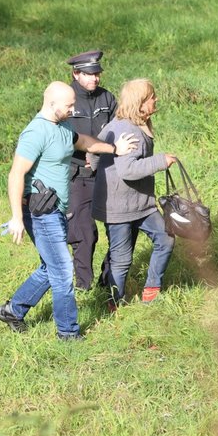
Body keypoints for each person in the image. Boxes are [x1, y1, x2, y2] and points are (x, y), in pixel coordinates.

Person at [0, 81, 136, 340]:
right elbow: (16, 174)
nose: (74, 109)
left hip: (58, 209)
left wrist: (115, 149)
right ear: (52, 104)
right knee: (62, 271)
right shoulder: (36, 132)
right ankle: (68, 333)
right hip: (40, 212)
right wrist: (16, 217)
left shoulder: (62, 126)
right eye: (69, 105)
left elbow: (83, 142)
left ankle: (12, 310)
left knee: (50, 268)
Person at [93, 79, 177, 307]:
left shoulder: (131, 123)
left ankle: (151, 289)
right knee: (121, 260)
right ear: (140, 103)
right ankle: (114, 302)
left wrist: (96, 166)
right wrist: (161, 161)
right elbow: (128, 170)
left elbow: (94, 149)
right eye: (152, 97)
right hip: (119, 208)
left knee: (165, 238)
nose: (156, 100)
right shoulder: (127, 130)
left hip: (142, 204)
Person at [66, 50, 117, 290]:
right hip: (78, 176)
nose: (95, 78)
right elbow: (55, 135)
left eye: (97, 73)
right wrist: (83, 152)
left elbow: (120, 127)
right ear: (76, 74)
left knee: (118, 230)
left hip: (107, 173)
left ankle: (108, 282)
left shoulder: (107, 98)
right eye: (88, 74)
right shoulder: (66, 99)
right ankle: (82, 286)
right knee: (85, 235)